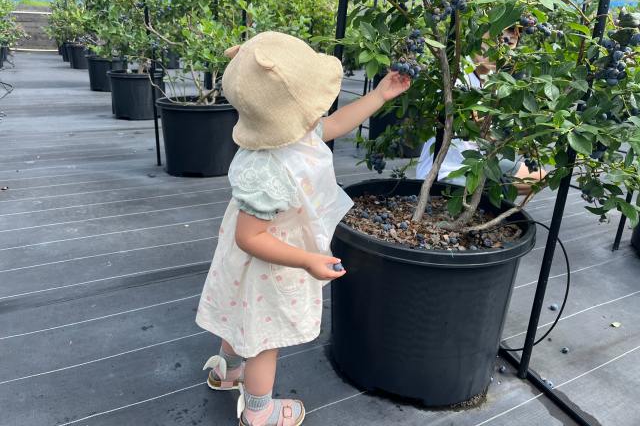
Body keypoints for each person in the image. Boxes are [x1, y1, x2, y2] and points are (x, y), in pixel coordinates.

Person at [194, 31, 411, 426]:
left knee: (239, 316)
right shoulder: (266, 169)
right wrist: (308, 260)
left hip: (252, 259)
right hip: (268, 262)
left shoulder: (289, 131)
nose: (321, 112)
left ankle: (226, 371)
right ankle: (259, 413)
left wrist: (379, 96)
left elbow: (334, 125)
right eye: (315, 103)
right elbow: (250, 236)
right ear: (291, 109)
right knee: (264, 337)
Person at [416, 26, 546, 194]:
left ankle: (494, 190)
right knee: (495, 192)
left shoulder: (492, 84)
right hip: (445, 170)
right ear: (476, 38)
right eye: (492, 40)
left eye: (508, 43)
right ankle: (492, 192)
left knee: (540, 177)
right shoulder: (457, 74)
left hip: (478, 161)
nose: (497, 48)